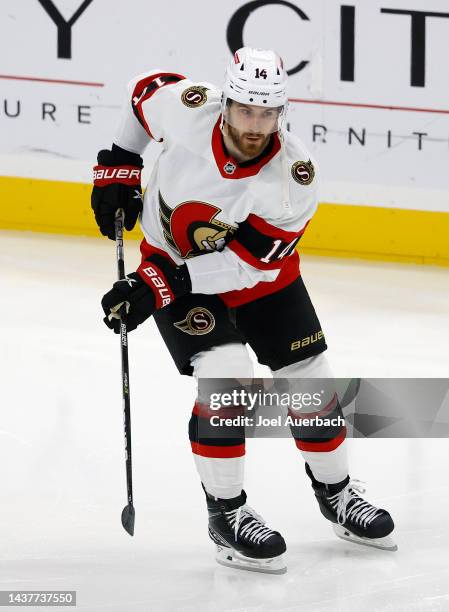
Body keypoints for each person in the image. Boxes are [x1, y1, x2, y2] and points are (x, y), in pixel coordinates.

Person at [91, 47, 396, 574]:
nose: (256, 126)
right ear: (227, 102)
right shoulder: (188, 108)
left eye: (268, 113)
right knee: (227, 378)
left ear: (283, 112)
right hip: (174, 265)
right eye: (246, 110)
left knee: (311, 381)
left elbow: (245, 266)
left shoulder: (292, 177)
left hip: (260, 280)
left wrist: (156, 287)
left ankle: (337, 495)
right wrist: (119, 165)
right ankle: (226, 514)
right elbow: (143, 91)